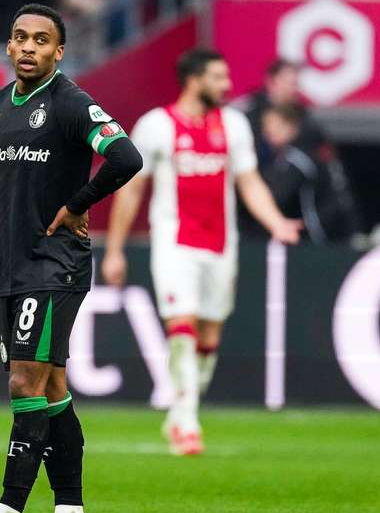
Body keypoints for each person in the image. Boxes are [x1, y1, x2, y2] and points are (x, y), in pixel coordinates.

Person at [0, 3, 143, 513]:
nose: (29, 47)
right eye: (21, 37)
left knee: (24, 381)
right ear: (8, 45)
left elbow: (126, 157)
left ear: (59, 52)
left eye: (41, 40)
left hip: (55, 262)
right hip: (12, 262)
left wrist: (79, 204)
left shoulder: (70, 103)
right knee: (52, 386)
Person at [101, 49, 302, 456]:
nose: (227, 85)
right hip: (174, 243)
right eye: (218, 77)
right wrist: (114, 250)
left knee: (208, 337)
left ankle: (180, 410)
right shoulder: (156, 125)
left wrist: (276, 222)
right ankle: (188, 422)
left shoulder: (234, 125)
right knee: (183, 325)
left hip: (221, 245)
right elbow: (132, 188)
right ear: (194, 80)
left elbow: (249, 181)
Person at [250, 104, 360, 244]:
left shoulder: (298, 158)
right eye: (265, 124)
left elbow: (278, 194)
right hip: (319, 229)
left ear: (291, 127)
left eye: (273, 124)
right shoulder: (285, 155)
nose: (267, 130)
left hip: (321, 232)